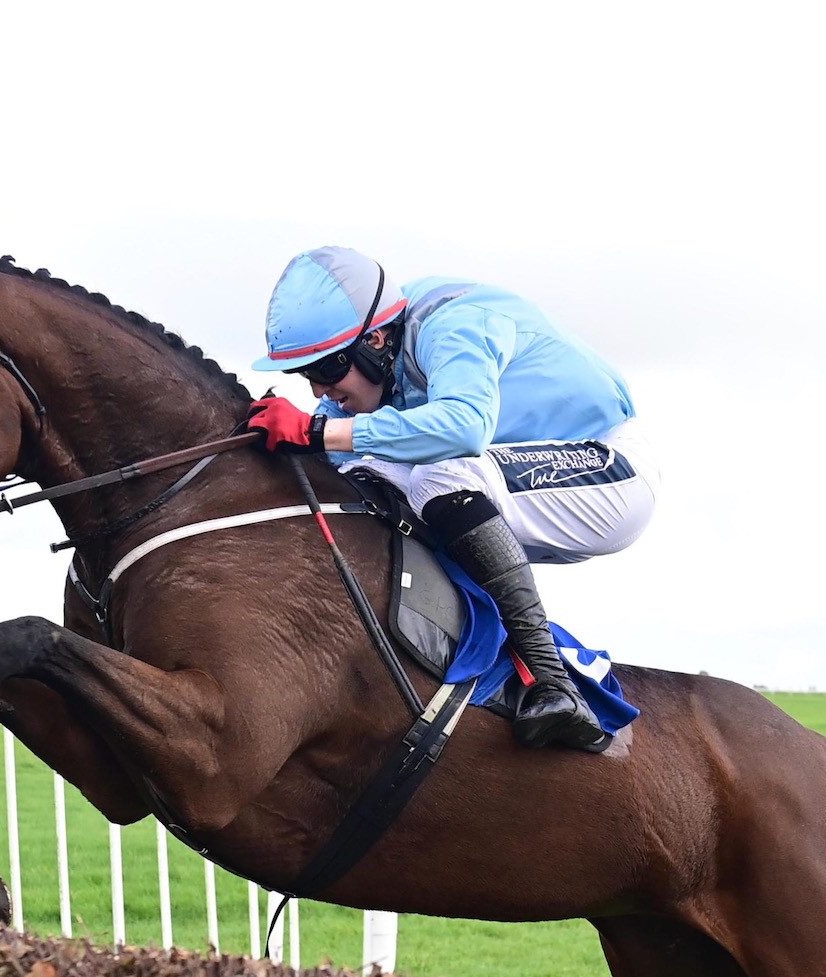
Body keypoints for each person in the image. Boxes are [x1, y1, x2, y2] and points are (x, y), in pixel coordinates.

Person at [242, 246, 658, 751]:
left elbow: (463, 428)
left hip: (609, 470)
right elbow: (335, 453)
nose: (318, 391)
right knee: (365, 475)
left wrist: (315, 432)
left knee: (436, 476)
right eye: (306, 375)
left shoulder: (453, 324)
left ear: (375, 340)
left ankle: (552, 681)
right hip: (511, 478)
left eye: (327, 370)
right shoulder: (380, 359)